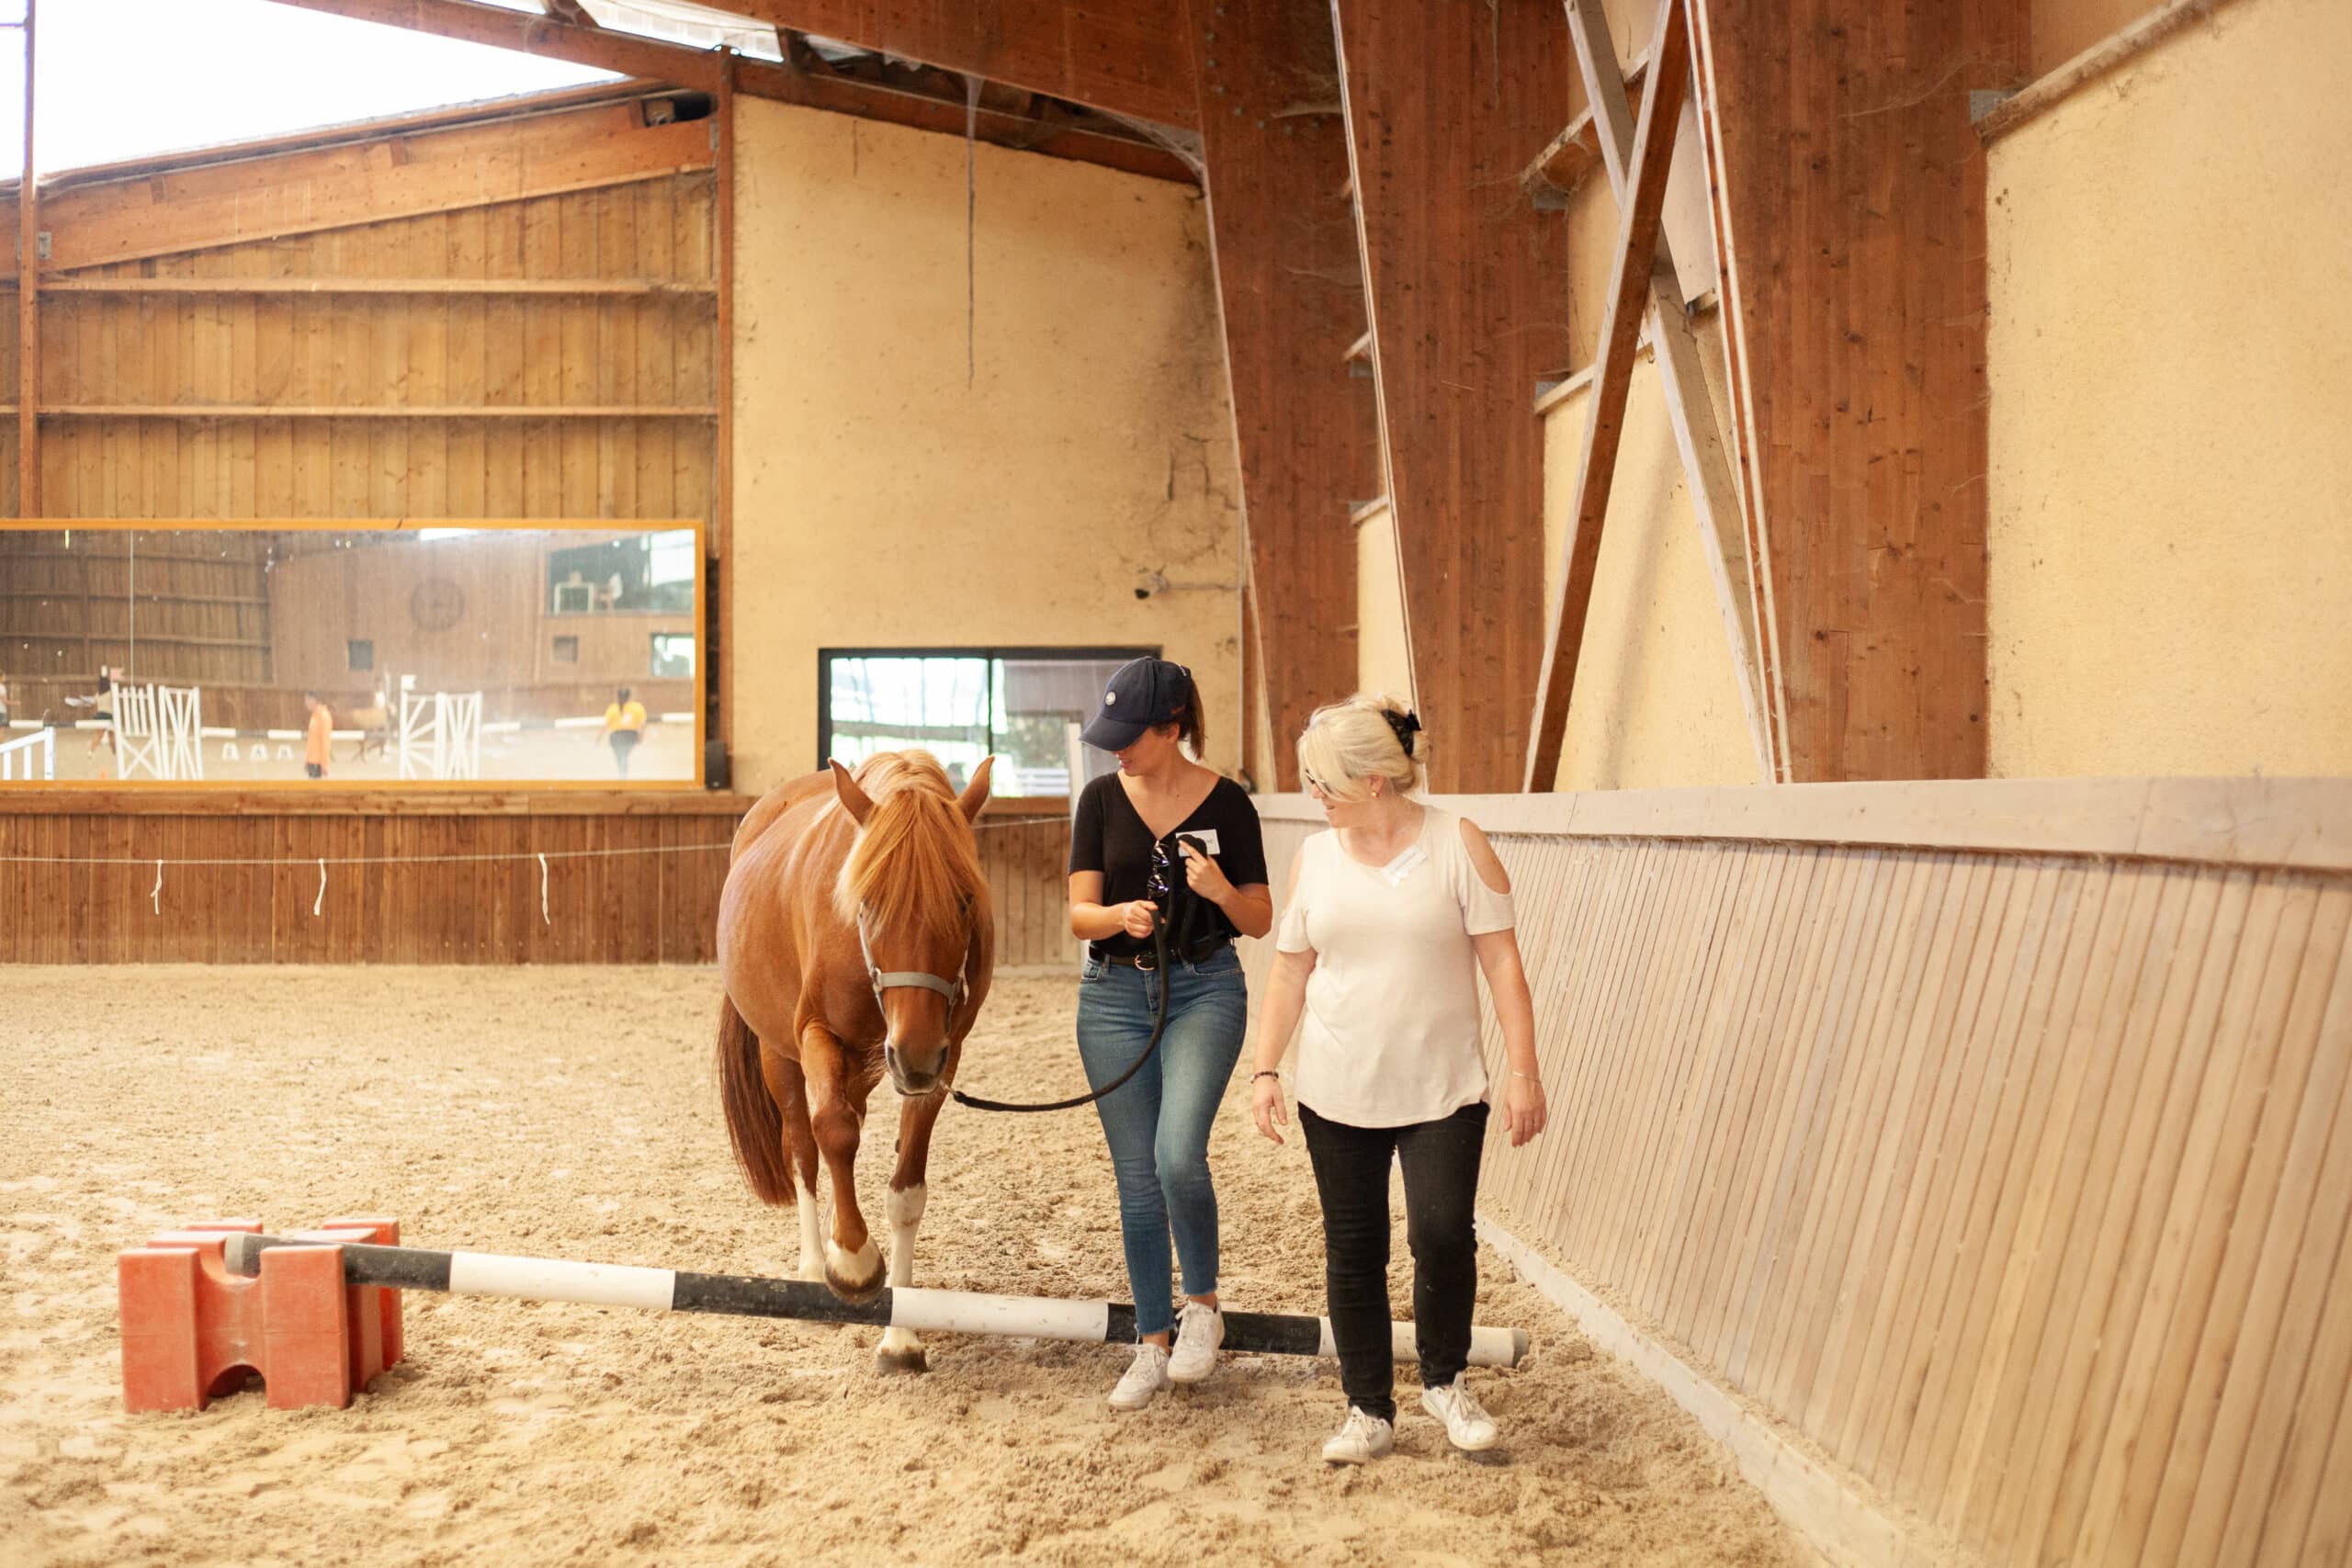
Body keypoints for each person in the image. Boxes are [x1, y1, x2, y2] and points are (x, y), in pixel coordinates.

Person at [1247, 695, 1547, 1465]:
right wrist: (1266, 1066)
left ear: (1376, 780)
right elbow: (1289, 969)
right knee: (1354, 1248)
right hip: (1338, 1088)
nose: (1313, 796)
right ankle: (1367, 1407)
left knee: (1442, 1234)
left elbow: (1503, 964)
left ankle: (1446, 1381)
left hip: (1444, 1086)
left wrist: (1523, 1072)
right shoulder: (1315, 857)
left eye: (1324, 783)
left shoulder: (1459, 843)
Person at [1067, 657, 1272, 1410]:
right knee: (1136, 1176)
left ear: (1173, 727)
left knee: (1177, 1153)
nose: (1116, 747)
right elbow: (1079, 914)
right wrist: (1121, 917)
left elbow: (1259, 917)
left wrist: (1218, 889)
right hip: (1112, 996)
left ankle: (1204, 1309)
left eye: (1131, 735)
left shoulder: (1230, 802)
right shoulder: (1097, 800)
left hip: (1205, 987)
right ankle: (1151, 1338)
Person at [600, 687, 647, 777]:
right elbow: (642, 725)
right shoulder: (637, 707)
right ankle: (623, 775)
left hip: (615, 737)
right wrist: (640, 737)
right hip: (631, 736)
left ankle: (622, 775)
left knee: (620, 756)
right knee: (624, 755)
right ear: (629, 696)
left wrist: (598, 739)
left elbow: (605, 726)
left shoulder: (613, 708)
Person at [303, 692, 333, 781]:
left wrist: (324, 764)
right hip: (312, 762)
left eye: (307, 700)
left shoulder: (324, 716)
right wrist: (307, 760)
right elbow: (311, 742)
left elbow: (325, 742)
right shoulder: (314, 716)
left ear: (313, 700)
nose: (305, 703)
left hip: (318, 764)